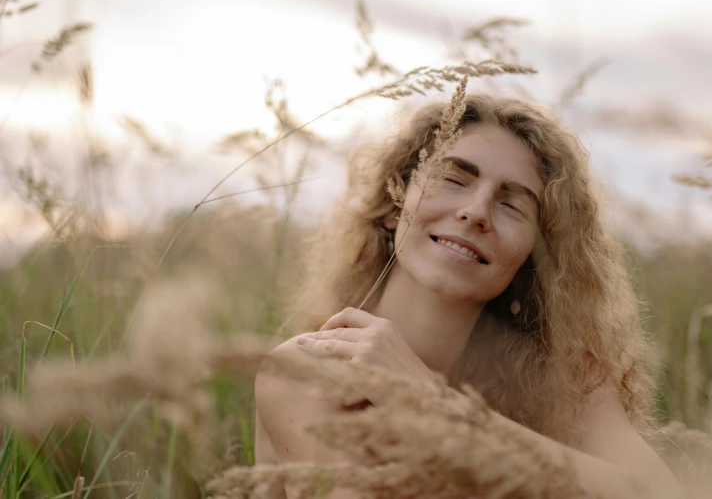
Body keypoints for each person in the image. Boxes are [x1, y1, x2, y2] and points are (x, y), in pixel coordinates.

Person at [254, 94, 685, 498]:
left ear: (535, 260)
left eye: (512, 205)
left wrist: (435, 405)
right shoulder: (311, 373)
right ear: (393, 206)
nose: (476, 211)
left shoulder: (567, 380)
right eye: (454, 178)